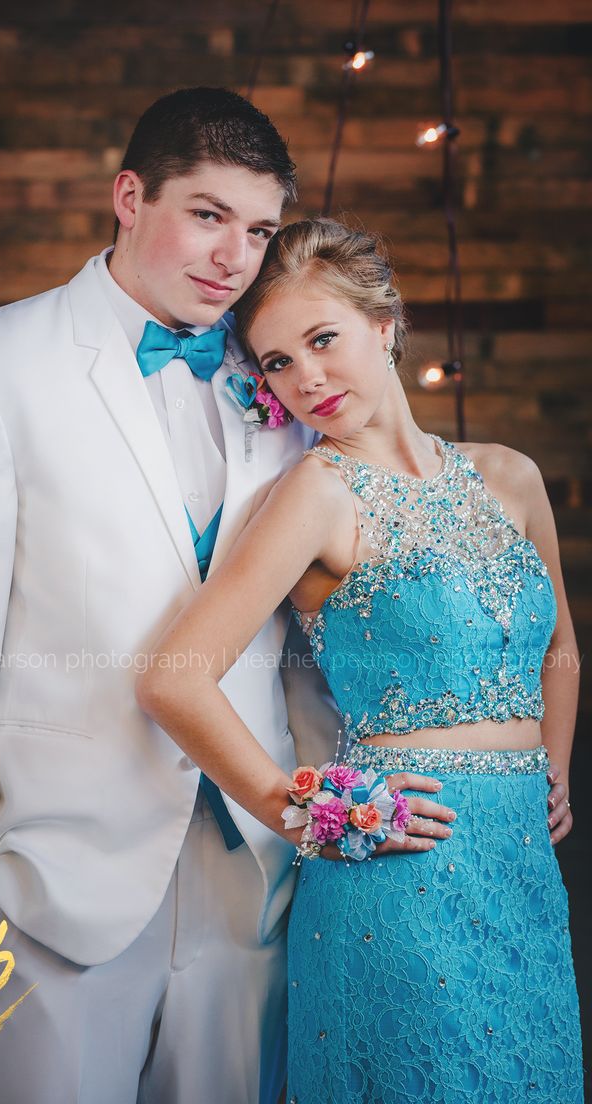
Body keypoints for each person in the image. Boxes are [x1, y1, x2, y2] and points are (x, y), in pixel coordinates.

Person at [0, 89, 458, 1104]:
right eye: (206, 215)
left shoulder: (280, 370)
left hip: (258, 862)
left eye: (258, 229)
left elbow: (319, 609)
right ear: (128, 196)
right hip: (52, 875)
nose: (234, 258)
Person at [136, 218, 583, 1103]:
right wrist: (301, 806)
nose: (307, 379)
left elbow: (560, 646)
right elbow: (172, 675)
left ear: (385, 325)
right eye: (275, 363)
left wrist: (554, 769)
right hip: (398, 868)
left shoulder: (511, 476)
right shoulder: (316, 494)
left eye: (322, 340)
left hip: (524, 866)